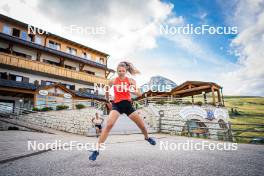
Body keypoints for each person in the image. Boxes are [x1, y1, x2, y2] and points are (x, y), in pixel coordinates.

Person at [89, 61, 156, 161]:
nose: (121, 72)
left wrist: (133, 90)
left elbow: (139, 93)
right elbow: (106, 91)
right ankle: (97, 150)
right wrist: (108, 101)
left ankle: (147, 137)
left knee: (141, 125)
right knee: (109, 125)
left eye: (123, 70)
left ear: (126, 71)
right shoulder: (112, 81)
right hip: (117, 105)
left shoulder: (131, 81)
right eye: (119, 71)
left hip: (128, 105)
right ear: (117, 71)